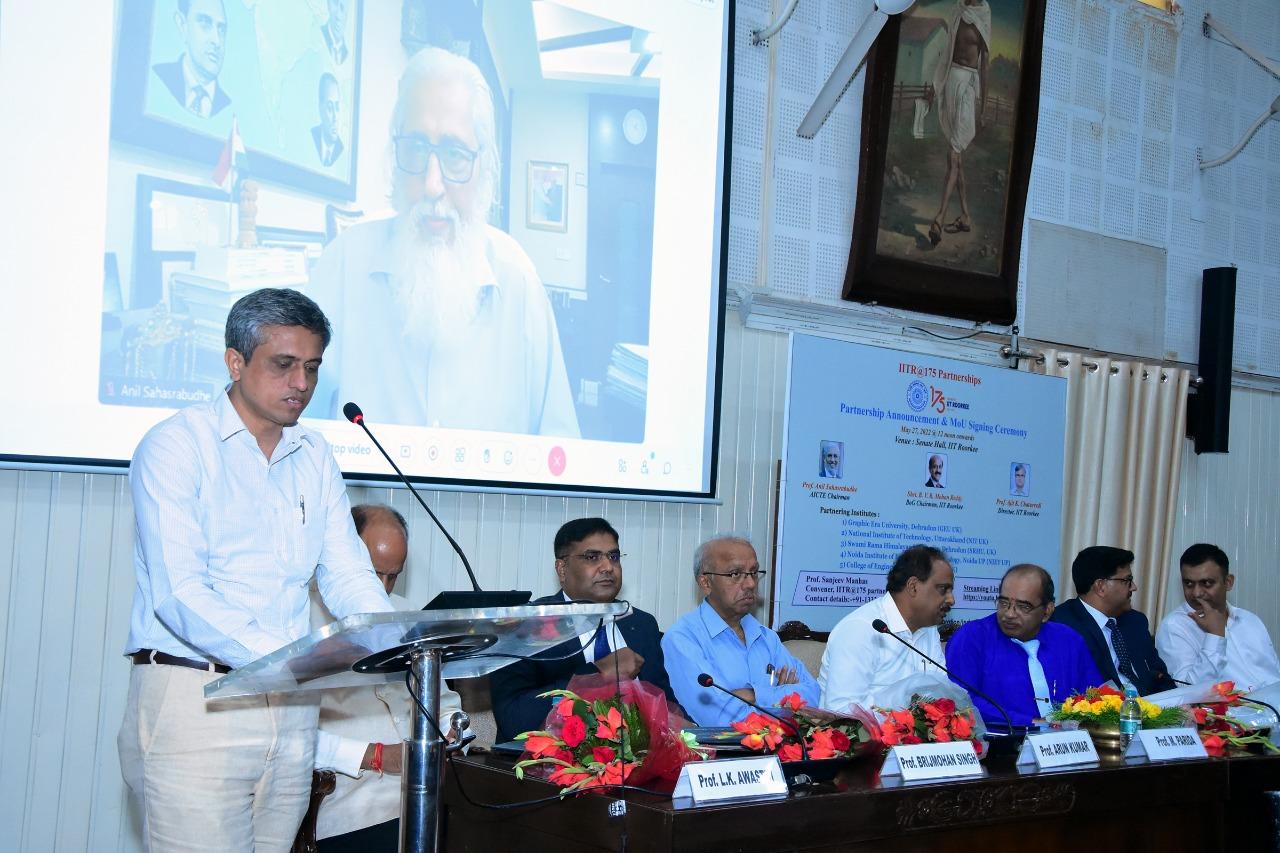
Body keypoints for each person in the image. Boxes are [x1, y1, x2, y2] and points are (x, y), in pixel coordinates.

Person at [118, 288, 394, 851]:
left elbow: (347, 574)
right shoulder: (177, 446)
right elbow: (180, 593)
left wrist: (390, 639)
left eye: (312, 367)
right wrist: (292, 660)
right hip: (199, 698)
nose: (301, 383)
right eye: (284, 364)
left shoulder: (314, 454)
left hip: (292, 710)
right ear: (235, 361)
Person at [308, 47, 578, 437]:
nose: (433, 184)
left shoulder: (520, 286)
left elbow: (562, 451)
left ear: (484, 165)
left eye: (454, 154)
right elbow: (286, 433)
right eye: (416, 148)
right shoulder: (342, 267)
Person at [311, 504, 463, 851]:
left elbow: (446, 704)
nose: (382, 589)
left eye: (393, 576)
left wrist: (452, 732)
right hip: (351, 803)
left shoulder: (407, 614)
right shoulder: (300, 618)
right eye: (373, 573)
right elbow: (285, 735)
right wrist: (375, 755)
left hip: (430, 794)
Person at [489, 517, 675, 742]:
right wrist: (597, 676)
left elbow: (667, 705)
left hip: (638, 755)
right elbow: (513, 720)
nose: (608, 567)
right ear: (562, 569)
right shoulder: (524, 626)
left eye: (613, 557)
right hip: (548, 759)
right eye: (592, 557)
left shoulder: (641, 624)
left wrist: (695, 733)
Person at [662, 536, 820, 726]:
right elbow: (720, 719)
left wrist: (753, 694)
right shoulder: (683, 639)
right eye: (735, 574)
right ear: (706, 583)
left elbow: (813, 696)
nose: (751, 584)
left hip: (782, 745)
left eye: (753, 572)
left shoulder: (766, 637)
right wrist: (782, 699)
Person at [945, 564, 1102, 728]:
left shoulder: (1068, 640)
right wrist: (1031, 723)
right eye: (1003, 603)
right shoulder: (971, 638)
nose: (1009, 614)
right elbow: (961, 700)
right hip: (1002, 741)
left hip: (1069, 740)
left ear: (1047, 611)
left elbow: (1095, 697)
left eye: (1023, 606)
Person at [819, 544, 955, 713]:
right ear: (913, 586)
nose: (951, 600)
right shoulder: (860, 629)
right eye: (943, 589)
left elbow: (940, 693)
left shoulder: (928, 630)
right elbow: (842, 710)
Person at [1050, 546, 1175, 696]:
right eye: (1127, 580)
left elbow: (1162, 678)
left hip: (1152, 706)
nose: (1134, 587)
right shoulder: (1062, 625)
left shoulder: (1135, 622)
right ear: (1101, 586)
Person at [1155, 544, 1280, 691]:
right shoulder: (1175, 626)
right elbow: (1187, 692)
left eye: (1206, 583)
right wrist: (1215, 636)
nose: (1196, 593)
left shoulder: (1249, 620)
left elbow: (1274, 674)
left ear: (1228, 582)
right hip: (1237, 706)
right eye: (1188, 584)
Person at [927, 0, 990, 246]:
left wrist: (983, 108)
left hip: (967, 89)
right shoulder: (957, 10)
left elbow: (985, 64)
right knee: (957, 159)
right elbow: (946, 52)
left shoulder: (983, 15)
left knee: (953, 155)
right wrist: (935, 87)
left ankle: (939, 218)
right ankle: (965, 217)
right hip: (950, 82)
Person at [152, 0, 232, 118]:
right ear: (182, 25)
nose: (217, 41)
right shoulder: (158, 77)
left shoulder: (229, 107)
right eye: (205, 22)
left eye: (221, 29)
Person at [311, 73, 344, 167]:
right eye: (329, 108)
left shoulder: (343, 151)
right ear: (320, 109)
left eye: (337, 108)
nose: (335, 117)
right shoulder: (311, 138)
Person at [321, 0, 350, 66]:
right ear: (328, 4)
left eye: (342, 7)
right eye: (335, 3)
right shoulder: (318, 35)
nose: (338, 16)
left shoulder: (347, 53)